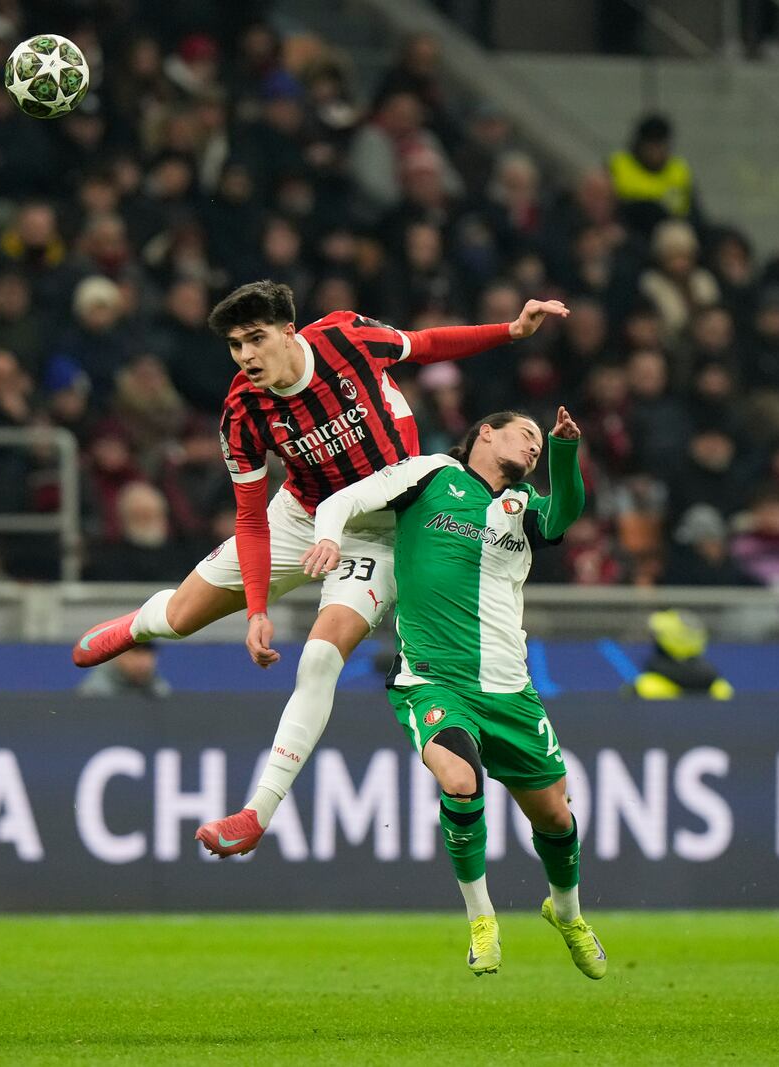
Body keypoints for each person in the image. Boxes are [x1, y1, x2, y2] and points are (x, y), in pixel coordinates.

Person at [69, 280, 570, 857]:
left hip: (382, 530)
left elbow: (426, 343)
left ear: (289, 331)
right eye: (235, 346)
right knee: (181, 618)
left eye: (255, 340)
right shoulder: (242, 409)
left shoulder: (345, 340)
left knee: (319, 658)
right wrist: (256, 610)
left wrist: (510, 330)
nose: (247, 357)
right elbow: (251, 520)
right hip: (299, 517)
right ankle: (138, 625)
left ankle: (255, 814)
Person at [302, 406, 604, 980]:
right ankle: (482, 918)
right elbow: (342, 500)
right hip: (435, 677)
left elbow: (565, 510)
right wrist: (328, 539)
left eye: (540, 443)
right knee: (460, 780)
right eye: (527, 434)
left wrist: (565, 451)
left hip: (511, 690)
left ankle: (567, 914)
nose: (534, 445)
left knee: (557, 819)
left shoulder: (523, 509)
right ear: (485, 432)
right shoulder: (430, 475)